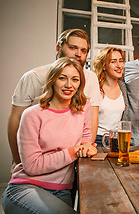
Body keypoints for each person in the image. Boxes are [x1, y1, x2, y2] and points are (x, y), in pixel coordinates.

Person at [2, 57, 97, 213]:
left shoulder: (83, 107)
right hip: (26, 188)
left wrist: (85, 148)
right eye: (62, 78)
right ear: (52, 80)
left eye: (75, 79)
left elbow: (86, 142)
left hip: (63, 190)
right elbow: (32, 166)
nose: (69, 85)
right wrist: (73, 151)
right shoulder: (32, 114)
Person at [8, 29, 100, 165]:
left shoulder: (91, 78)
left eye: (83, 50)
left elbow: (91, 121)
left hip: (72, 158)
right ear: (58, 48)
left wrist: (84, 152)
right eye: (72, 48)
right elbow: (16, 120)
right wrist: (19, 162)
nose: (78, 54)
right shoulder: (33, 77)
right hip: (35, 157)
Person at [93, 47, 128, 146]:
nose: (119, 65)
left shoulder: (123, 87)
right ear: (103, 65)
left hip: (117, 140)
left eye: (121, 61)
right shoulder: (95, 87)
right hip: (97, 140)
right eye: (113, 62)